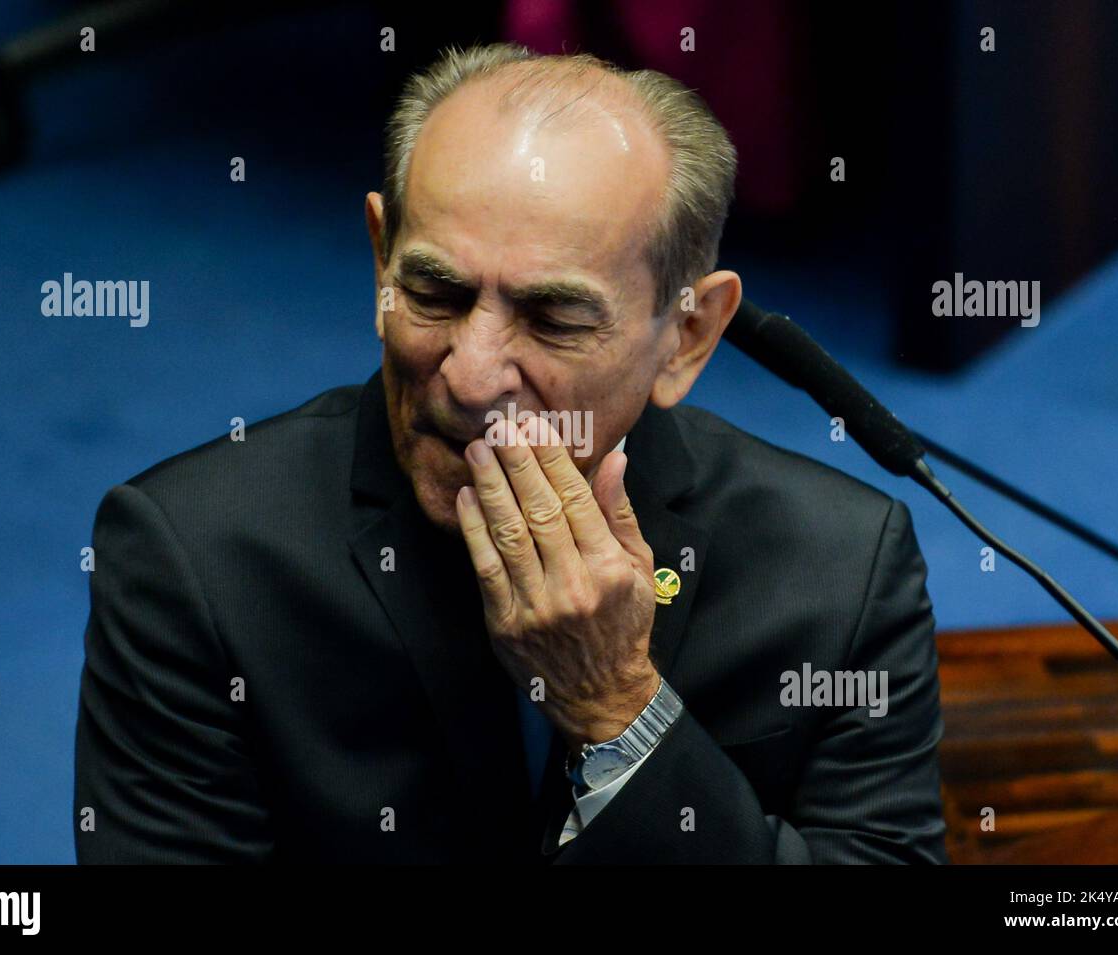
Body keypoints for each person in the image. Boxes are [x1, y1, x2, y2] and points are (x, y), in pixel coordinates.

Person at [74, 43, 947, 863]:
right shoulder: (194, 554)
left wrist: (619, 710)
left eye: (553, 318)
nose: (472, 374)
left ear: (686, 335)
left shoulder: (840, 569)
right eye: (433, 291)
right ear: (381, 260)